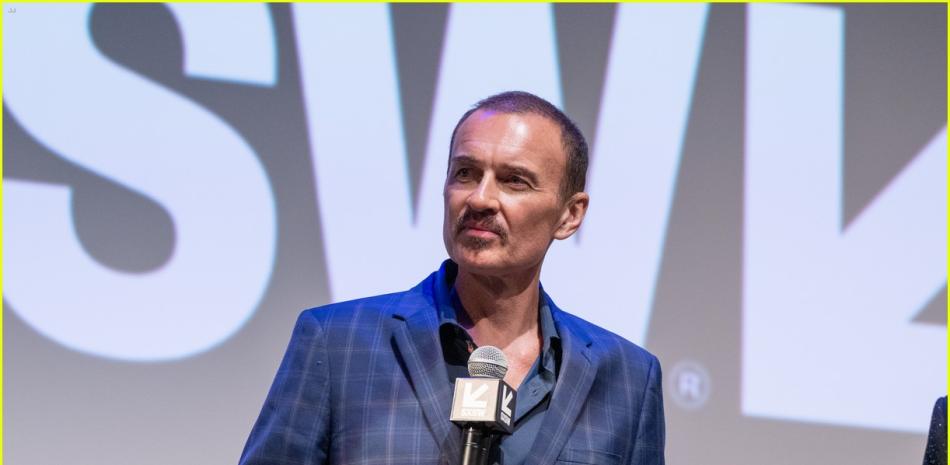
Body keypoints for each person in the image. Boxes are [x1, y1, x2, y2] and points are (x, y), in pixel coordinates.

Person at [239, 91, 665, 465]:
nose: (480, 198)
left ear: (570, 215)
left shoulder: (628, 379)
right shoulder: (338, 344)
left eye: (514, 181)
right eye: (465, 173)